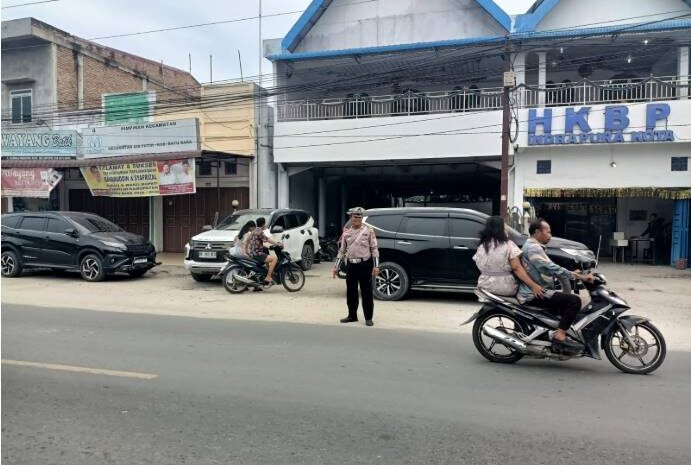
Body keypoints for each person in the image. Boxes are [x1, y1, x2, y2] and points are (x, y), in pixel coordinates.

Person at [518, 218, 593, 354]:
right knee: (574, 301)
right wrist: (579, 276)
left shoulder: (534, 246)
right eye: (548, 232)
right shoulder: (533, 248)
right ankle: (560, 335)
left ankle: (553, 332)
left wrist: (572, 273)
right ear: (537, 232)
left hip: (539, 290)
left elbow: (550, 266)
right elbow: (550, 267)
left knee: (565, 299)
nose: (550, 235)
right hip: (534, 293)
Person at [473, 216, 545, 298]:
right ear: (500, 229)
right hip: (505, 288)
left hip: (484, 286)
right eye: (505, 227)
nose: (506, 229)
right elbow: (517, 268)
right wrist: (533, 286)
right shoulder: (509, 245)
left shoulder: (482, 246)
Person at [332, 207, 380, 327]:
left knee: (367, 292)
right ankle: (352, 315)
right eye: (355, 216)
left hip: (365, 264)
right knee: (351, 292)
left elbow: (374, 249)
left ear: (362, 218)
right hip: (351, 266)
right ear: (351, 218)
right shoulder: (346, 233)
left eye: (359, 217)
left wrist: (376, 266)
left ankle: (368, 317)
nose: (357, 219)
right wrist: (336, 267)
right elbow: (342, 251)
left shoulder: (369, 231)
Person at [246, 217, 282, 286]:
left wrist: (268, 247)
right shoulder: (260, 232)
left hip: (252, 252)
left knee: (267, 257)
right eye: (265, 223)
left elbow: (257, 242)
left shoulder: (254, 231)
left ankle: (265, 277)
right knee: (274, 259)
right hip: (257, 253)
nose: (265, 225)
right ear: (263, 224)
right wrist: (277, 244)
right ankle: (268, 277)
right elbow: (267, 239)